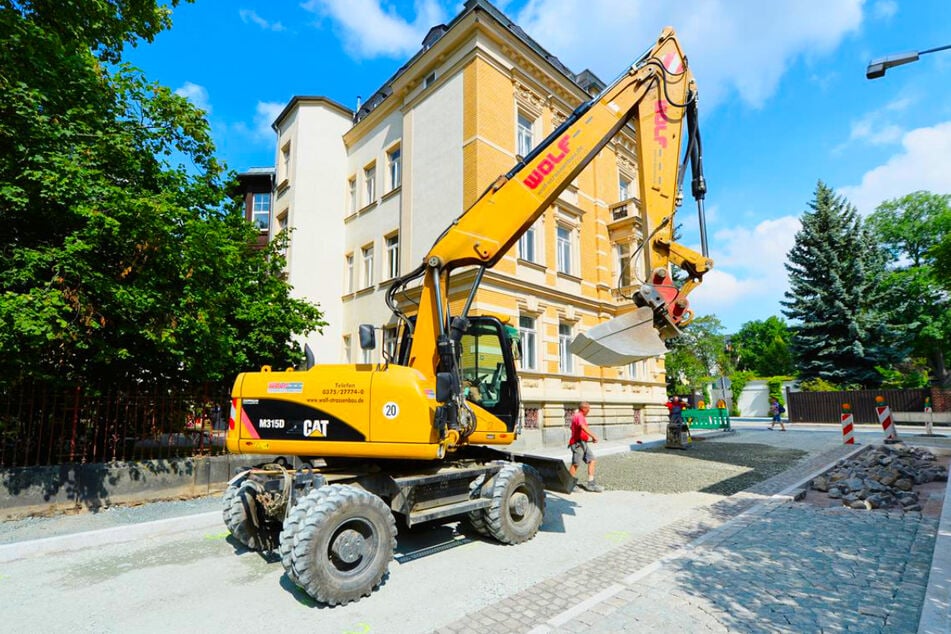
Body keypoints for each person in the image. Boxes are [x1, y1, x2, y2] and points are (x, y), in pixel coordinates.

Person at [568, 402, 603, 492]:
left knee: (592, 459)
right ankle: (569, 484)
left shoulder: (579, 416)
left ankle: (591, 484)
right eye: (588, 409)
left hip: (582, 443)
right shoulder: (579, 416)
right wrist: (593, 436)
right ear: (584, 409)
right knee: (576, 463)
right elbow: (582, 426)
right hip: (577, 444)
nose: (589, 411)